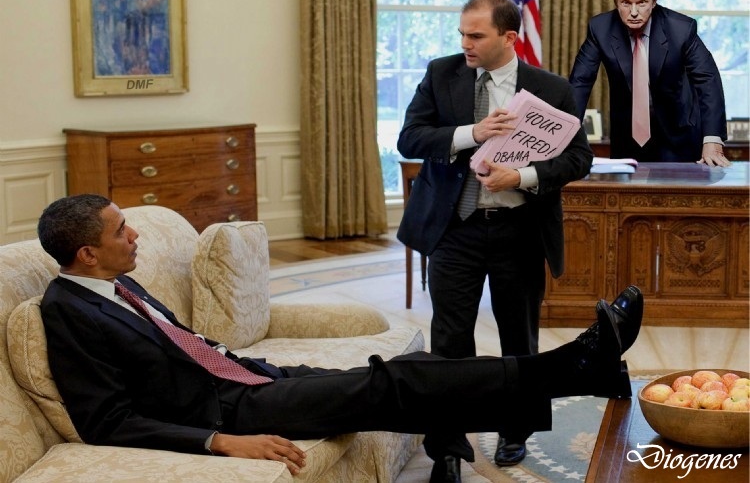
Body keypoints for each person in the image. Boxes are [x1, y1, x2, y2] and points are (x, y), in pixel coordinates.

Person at [38, 194, 643, 483]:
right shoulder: (69, 312)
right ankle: (574, 366)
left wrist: (255, 368)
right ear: (87, 253)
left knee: (413, 369)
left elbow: (180, 345)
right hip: (230, 410)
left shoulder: (118, 284)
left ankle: (455, 442)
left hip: (251, 377)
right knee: (393, 383)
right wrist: (219, 442)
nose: (135, 235)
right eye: (121, 230)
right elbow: (105, 421)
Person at [396, 0, 594, 472]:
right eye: (462, 33)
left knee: (519, 340)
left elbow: (578, 158)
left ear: (508, 38)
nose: (465, 43)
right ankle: (448, 450)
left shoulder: (551, 88)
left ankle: (515, 431)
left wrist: (522, 176)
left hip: (519, 232)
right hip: (455, 231)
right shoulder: (441, 74)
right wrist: (473, 133)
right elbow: (410, 138)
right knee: (449, 344)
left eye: (475, 35)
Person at [569, 0, 729, 166]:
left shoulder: (680, 29)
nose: (634, 12)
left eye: (642, 3)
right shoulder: (600, 28)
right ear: (616, 3)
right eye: (626, 3)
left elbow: (707, 79)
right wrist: (564, 134)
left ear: (654, 1)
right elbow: (580, 81)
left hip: (678, 133)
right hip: (627, 136)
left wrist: (712, 138)